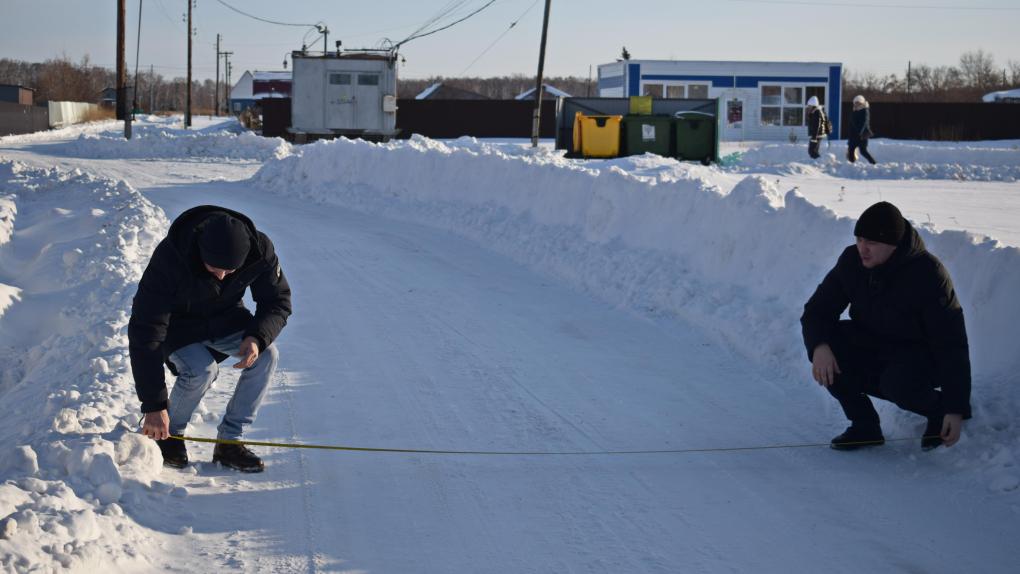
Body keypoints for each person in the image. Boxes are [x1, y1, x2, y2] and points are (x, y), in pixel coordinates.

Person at [129, 205, 292, 472]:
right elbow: (145, 330)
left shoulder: (260, 250)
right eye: (214, 268)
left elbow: (277, 301)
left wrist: (256, 336)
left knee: (266, 354)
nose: (221, 276)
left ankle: (230, 443)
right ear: (200, 251)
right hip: (177, 326)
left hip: (225, 319)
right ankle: (169, 436)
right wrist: (154, 405)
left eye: (230, 271)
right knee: (201, 370)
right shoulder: (171, 257)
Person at [801, 201, 971, 451]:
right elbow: (817, 311)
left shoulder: (928, 274)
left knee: (896, 384)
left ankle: (938, 409)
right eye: (859, 239)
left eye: (871, 243)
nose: (862, 249)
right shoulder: (852, 260)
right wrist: (820, 346)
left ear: (894, 245)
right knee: (830, 345)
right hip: (874, 343)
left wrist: (955, 409)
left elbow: (951, 344)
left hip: (919, 356)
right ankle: (864, 426)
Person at [847, 95, 877, 164]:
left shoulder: (865, 110)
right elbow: (852, 122)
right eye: (855, 102)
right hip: (854, 134)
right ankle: (851, 164)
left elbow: (864, 123)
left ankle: (873, 163)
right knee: (851, 149)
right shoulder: (855, 110)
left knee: (863, 151)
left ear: (861, 103)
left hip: (862, 135)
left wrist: (859, 133)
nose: (856, 104)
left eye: (858, 102)